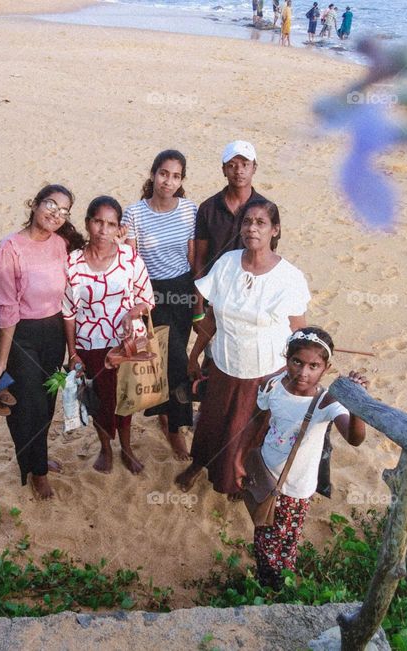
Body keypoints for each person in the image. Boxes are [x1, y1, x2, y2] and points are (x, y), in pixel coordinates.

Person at [175, 199, 311, 496]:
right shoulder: (226, 265)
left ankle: (239, 481)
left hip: (263, 375)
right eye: (247, 221)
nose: (252, 228)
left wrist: (301, 373)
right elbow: (211, 318)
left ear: (275, 230)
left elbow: (299, 333)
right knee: (212, 424)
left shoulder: (289, 278)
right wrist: (194, 355)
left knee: (247, 434)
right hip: (224, 366)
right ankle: (198, 465)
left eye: (260, 222)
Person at [251, 327, 368, 589]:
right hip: (267, 473)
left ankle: (278, 585)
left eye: (314, 366)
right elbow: (258, 421)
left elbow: (354, 437)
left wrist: (357, 405)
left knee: (285, 539)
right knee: (263, 532)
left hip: (297, 486)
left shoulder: (326, 402)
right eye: (297, 362)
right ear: (286, 359)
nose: (304, 372)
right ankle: (266, 581)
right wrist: (241, 460)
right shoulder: (273, 385)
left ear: (326, 368)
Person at [0, 184, 86, 499]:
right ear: (34, 204)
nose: (55, 214)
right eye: (50, 205)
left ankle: (39, 455)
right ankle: (37, 472)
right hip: (19, 335)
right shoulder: (10, 248)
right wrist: (2, 361)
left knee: (47, 402)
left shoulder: (61, 245)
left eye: (63, 211)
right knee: (27, 405)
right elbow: (7, 307)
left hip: (53, 332)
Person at [63, 196, 155, 475]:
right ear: (88, 223)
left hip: (125, 344)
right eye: (98, 222)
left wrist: (132, 313)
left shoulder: (129, 257)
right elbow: (68, 312)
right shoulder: (73, 263)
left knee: (125, 400)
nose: (103, 230)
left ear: (118, 229)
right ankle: (105, 448)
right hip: (90, 343)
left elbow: (147, 299)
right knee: (98, 401)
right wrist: (73, 352)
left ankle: (126, 449)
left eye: (111, 224)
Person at [124, 151, 197, 461]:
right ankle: (176, 429)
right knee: (175, 361)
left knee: (167, 359)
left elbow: (194, 258)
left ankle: (166, 413)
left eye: (176, 176)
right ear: (153, 174)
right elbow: (131, 263)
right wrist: (137, 305)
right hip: (151, 293)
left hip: (183, 290)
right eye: (164, 173)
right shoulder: (134, 214)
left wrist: (199, 304)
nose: (169, 181)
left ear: (181, 181)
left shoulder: (190, 210)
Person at [192, 140, 266, 320]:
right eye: (232, 165)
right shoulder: (208, 208)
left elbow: (268, 258)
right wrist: (198, 310)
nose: (239, 170)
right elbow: (200, 260)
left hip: (251, 301)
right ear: (223, 169)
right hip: (215, 300)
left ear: (254, 168)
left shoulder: (266, 209)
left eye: (245, 165)